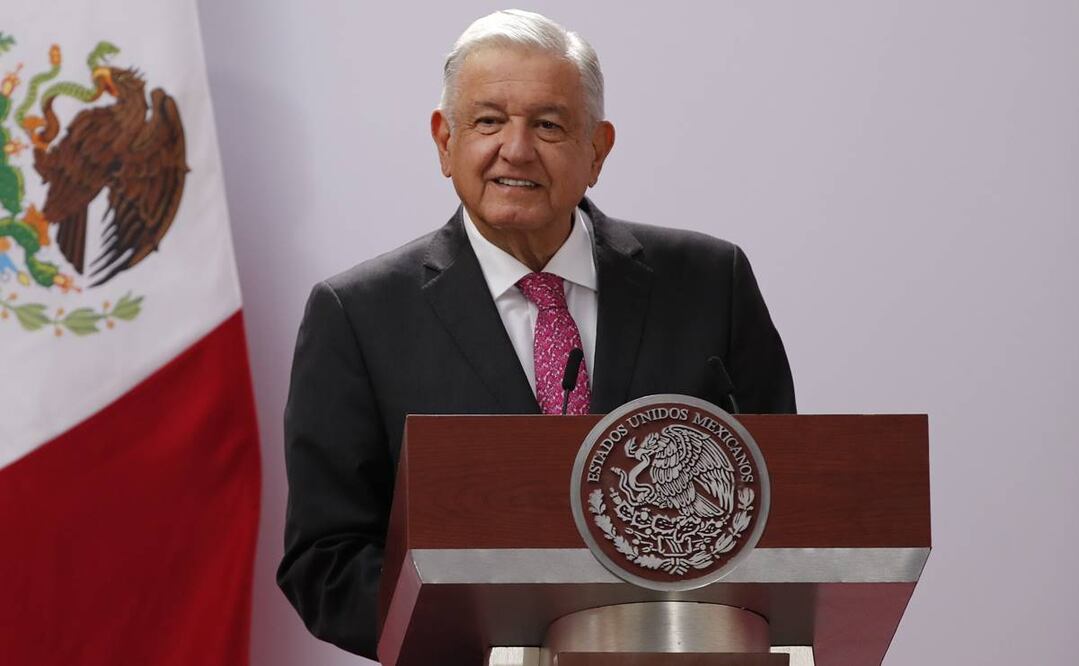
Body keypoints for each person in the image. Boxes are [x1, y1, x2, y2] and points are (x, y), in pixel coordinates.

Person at [277, 9, 795, 660]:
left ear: (597, 150)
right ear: (444, 140)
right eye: (488, 121)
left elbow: (782, 507)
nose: (516, 150)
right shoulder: (358, 315)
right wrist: (495, 636)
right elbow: (325, 561)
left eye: (548, 125)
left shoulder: (710, 282)